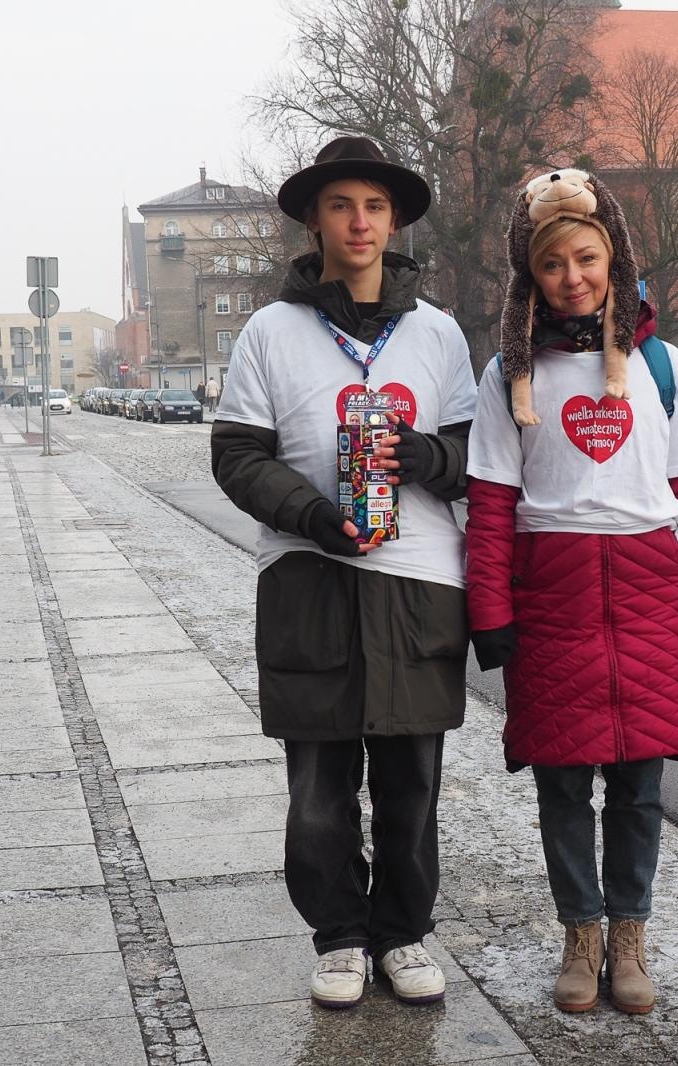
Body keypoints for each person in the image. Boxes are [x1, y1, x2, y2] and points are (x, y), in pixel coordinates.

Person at [464, 168, 678, 1016]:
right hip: (550, 599)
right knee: (561, 784)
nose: (573, 278)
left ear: (614, 260)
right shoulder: (507, 376)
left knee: (637, 786)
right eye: (553, 265)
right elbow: (490, 504)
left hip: (649, 598)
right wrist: (491, 611)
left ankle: (628, 939)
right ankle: (579, 935)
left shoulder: (661, 367)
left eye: (586, 258)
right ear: (533, 275)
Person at [211, 136, 477, 1010]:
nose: (358, 222)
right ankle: (338, 935)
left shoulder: (437, 333)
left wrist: (423, 457)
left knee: (411, 781)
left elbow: (480, 453)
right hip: (308, 580)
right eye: (340, 206)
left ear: (393, 220)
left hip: (418, 582)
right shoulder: (270, 332)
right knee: (319, 786)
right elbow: (239, 455)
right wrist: (315, 513)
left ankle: (402, 931)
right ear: (315, 220)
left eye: (374, 206)